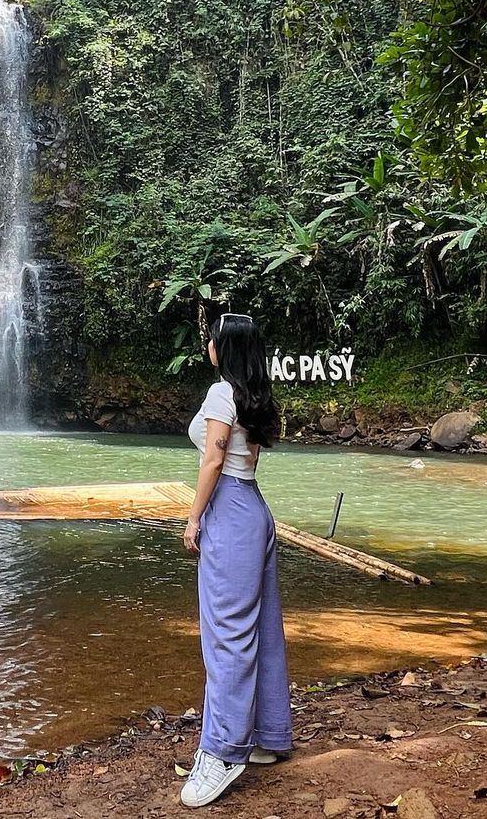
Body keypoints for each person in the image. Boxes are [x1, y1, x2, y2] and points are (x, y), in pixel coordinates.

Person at [179, 312, 293, 808]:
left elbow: (213, 460)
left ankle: (223, 753)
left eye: (213, 339)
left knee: (226, 633)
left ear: (224, 348)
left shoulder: (220, 393)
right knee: (261, 627)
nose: (207, 343)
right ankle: (267, 735)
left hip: (229, 510)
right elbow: (250, 461)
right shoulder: (253, 394)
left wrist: (193, 517)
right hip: (255, 510)